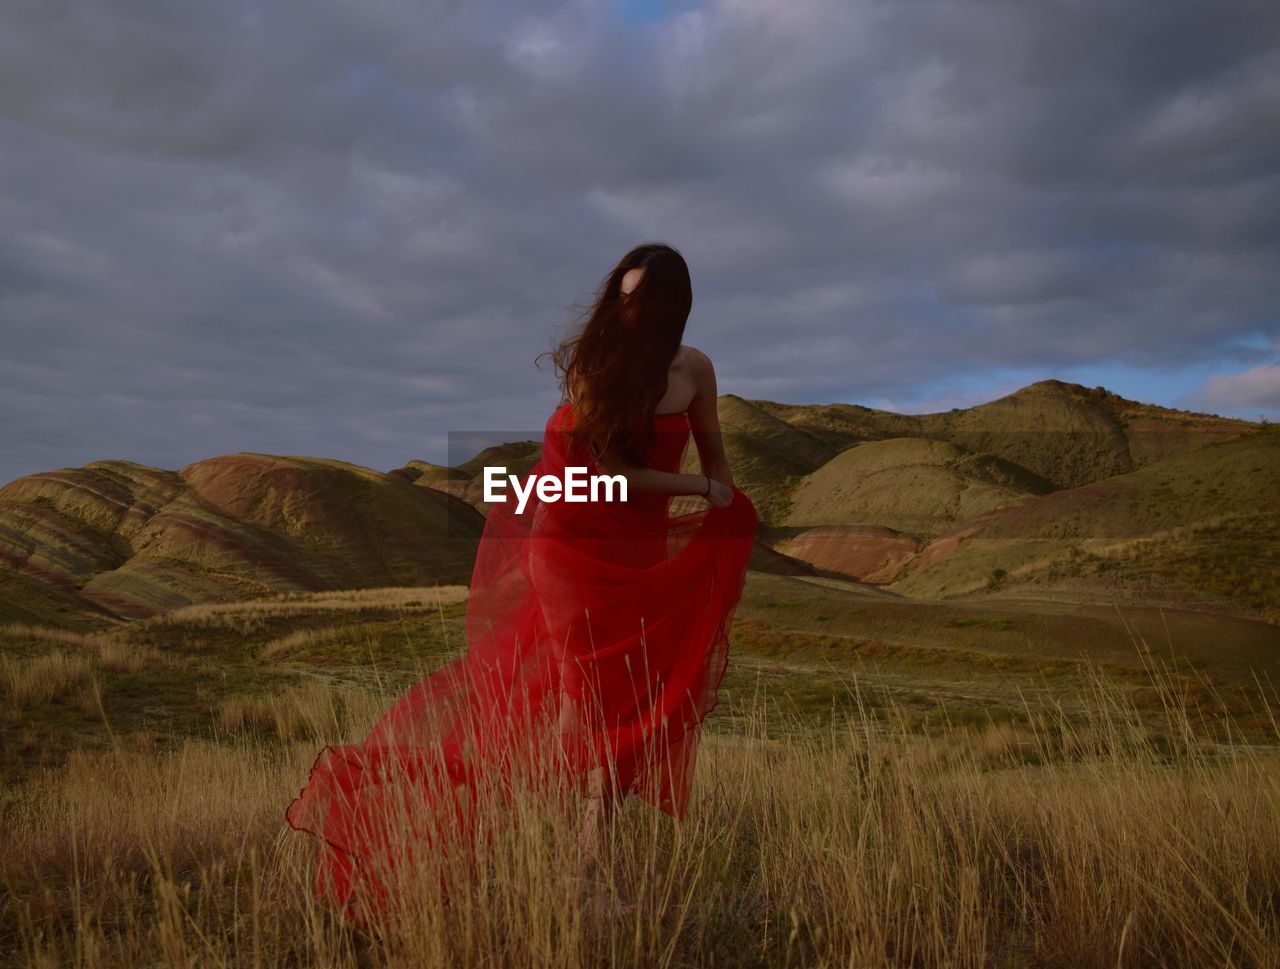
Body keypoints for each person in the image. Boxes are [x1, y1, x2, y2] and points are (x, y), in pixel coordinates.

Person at [283, 242, 759, 927]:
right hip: (569, 549)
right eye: (621, 298)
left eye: (643, 302)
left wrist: (725, 505)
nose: (630, 313)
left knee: (624, 710)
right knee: (585, 704)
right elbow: (612, 477)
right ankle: (577, 871)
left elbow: (720, 468)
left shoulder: (694, 371)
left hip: (638, 557)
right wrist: (696, 485)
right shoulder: (596, 371)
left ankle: (578, 858)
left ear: (673, 309)